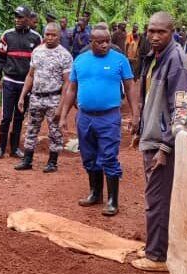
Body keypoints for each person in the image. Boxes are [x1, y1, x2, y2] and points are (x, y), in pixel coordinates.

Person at [131, 12, 187, 272]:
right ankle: (158, 248)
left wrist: (166, 147)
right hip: (152, 137)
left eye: (161, 32)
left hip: (162, 144)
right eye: (151, 31)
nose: (155, 36)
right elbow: (152, 100)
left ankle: (156, 256)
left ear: (172, 31)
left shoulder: (176, 61)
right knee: (158, 197)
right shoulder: (155, 57)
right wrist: (140, 128)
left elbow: (182, 108)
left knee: (157, 199)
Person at [59, 26, 138, 216]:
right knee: (88, 156)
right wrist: (63, 115)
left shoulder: (120, 60)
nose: (105, 45)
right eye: (99, 42)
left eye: (107, 41)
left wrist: (136, 114)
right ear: (91, 42)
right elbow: (71, 89)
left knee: (109, 156)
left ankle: (112, 200)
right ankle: (95, 193)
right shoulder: (80, 60)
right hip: (85, 117)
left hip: (109, 117)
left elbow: (130, 87)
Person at [15, 23, 73, 172]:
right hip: (36, 97)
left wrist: (61, 106)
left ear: (59, 36)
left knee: (54, 131)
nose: (50, 37)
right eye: (47, 34)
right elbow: (30, 75)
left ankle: (52, 162)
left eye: (53, 35)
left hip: (53, 97)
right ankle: (27, 160)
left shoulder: (65, 55)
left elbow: (67, 83)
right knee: (31, 128)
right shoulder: (37, 52)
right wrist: (22, 96)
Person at [0, 5, 42, 160]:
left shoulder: (36, 38)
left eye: (21, 17)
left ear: (28, 19)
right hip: (9, 81)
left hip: (25, 84)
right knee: (6, 116)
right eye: (16, 17)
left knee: (20, 117)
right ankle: (1, 148)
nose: (17, 20)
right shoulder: (7, 35)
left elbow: (40, 62)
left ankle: (14, 148)